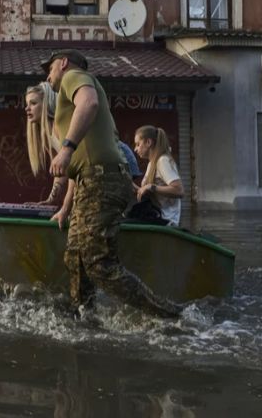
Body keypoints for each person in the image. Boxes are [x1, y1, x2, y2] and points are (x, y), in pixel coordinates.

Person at [43, 49, 181, 318]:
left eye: (49, 69)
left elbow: (90, 103)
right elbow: (81, 165)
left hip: (102, 178)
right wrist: (65, 207)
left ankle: (169, 316)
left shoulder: (74, 75)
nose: (48, 77)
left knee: (98, 263)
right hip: (90, 180)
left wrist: (67, 148)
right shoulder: (67, 100)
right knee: (76, 256)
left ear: (62, 63)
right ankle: (84, 316)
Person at [133, 125, 184, 227]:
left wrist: (151, 187)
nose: (135, 149)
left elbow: (179, 191)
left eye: (138, 144)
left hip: (165, 220)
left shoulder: (162, 161)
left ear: (148, 142)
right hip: (155, 215)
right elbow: (148, 193)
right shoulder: (151, 163)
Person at [24, 82, 66, 205]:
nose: (27, 108)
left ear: (46, 104)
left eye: (33, 103)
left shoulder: (60, 126)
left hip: (119, 161)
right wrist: (50, 201)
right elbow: (60, 173)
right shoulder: (47, 136)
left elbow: (75, 168)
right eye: (27, 104)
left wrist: (67, 206)